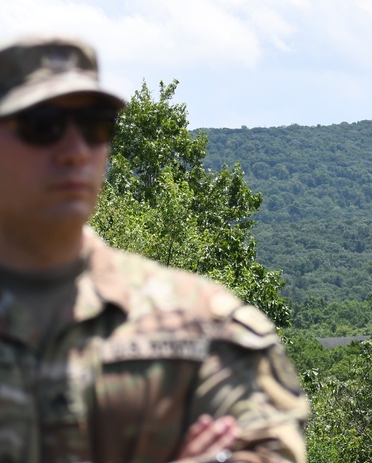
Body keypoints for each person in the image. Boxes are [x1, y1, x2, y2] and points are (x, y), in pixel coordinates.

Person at [0, 35, 308, 462]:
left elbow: (271, 448)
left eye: (95, 126)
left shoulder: (197, 322)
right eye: (42, 126)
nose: (75, 151)